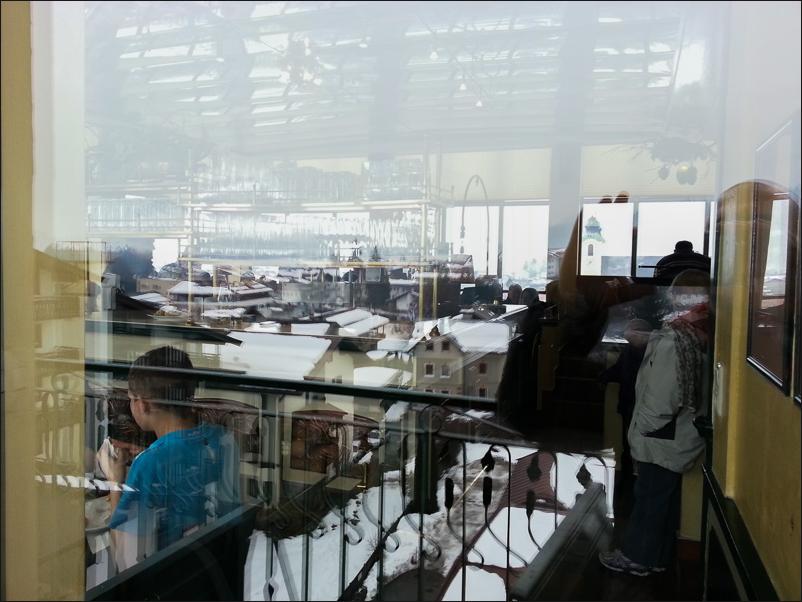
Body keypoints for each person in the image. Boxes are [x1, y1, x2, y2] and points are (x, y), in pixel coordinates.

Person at [599, 269, 709, 576]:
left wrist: (641, 430)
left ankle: (638, 557)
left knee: (649, 496)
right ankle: (658, 557)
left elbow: (662, 399)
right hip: (680, 433)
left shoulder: (677, 339)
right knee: (664, 497)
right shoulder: (699, 331)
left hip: (662, 435)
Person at [103, 346, 240, 568]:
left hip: (170, 579)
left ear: (143, 404)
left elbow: (124, 560)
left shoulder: (149, 463)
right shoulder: (224, 439)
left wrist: (114, 481)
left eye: (131, 399)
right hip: (214, 572)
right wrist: (153, 452)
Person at [599, 319, 653, 482]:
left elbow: (620, 370)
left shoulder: (648, 352)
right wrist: (604, 377)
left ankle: (635, 476)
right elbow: (619, 369)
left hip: (641, 405)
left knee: (638, 443)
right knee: (628, 442)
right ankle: (630, 476)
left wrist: (605, 377)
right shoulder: (632, 350)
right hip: (630, 403)